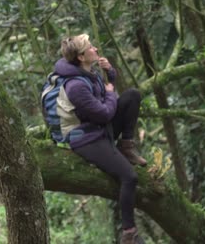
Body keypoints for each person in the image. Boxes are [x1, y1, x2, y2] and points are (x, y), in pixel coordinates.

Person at [56, 34, 146, 244]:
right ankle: (129, 233)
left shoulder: (90, 73)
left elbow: (106, 102)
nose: (95, 48)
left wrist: (110, 75)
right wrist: (111, 92)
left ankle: (126, 145)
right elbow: (105, 113)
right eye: (90, 47)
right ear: (81, 56)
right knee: (129, 177)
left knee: (132, 95)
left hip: (98, 128)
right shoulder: (76, 86)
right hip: (86, 138)